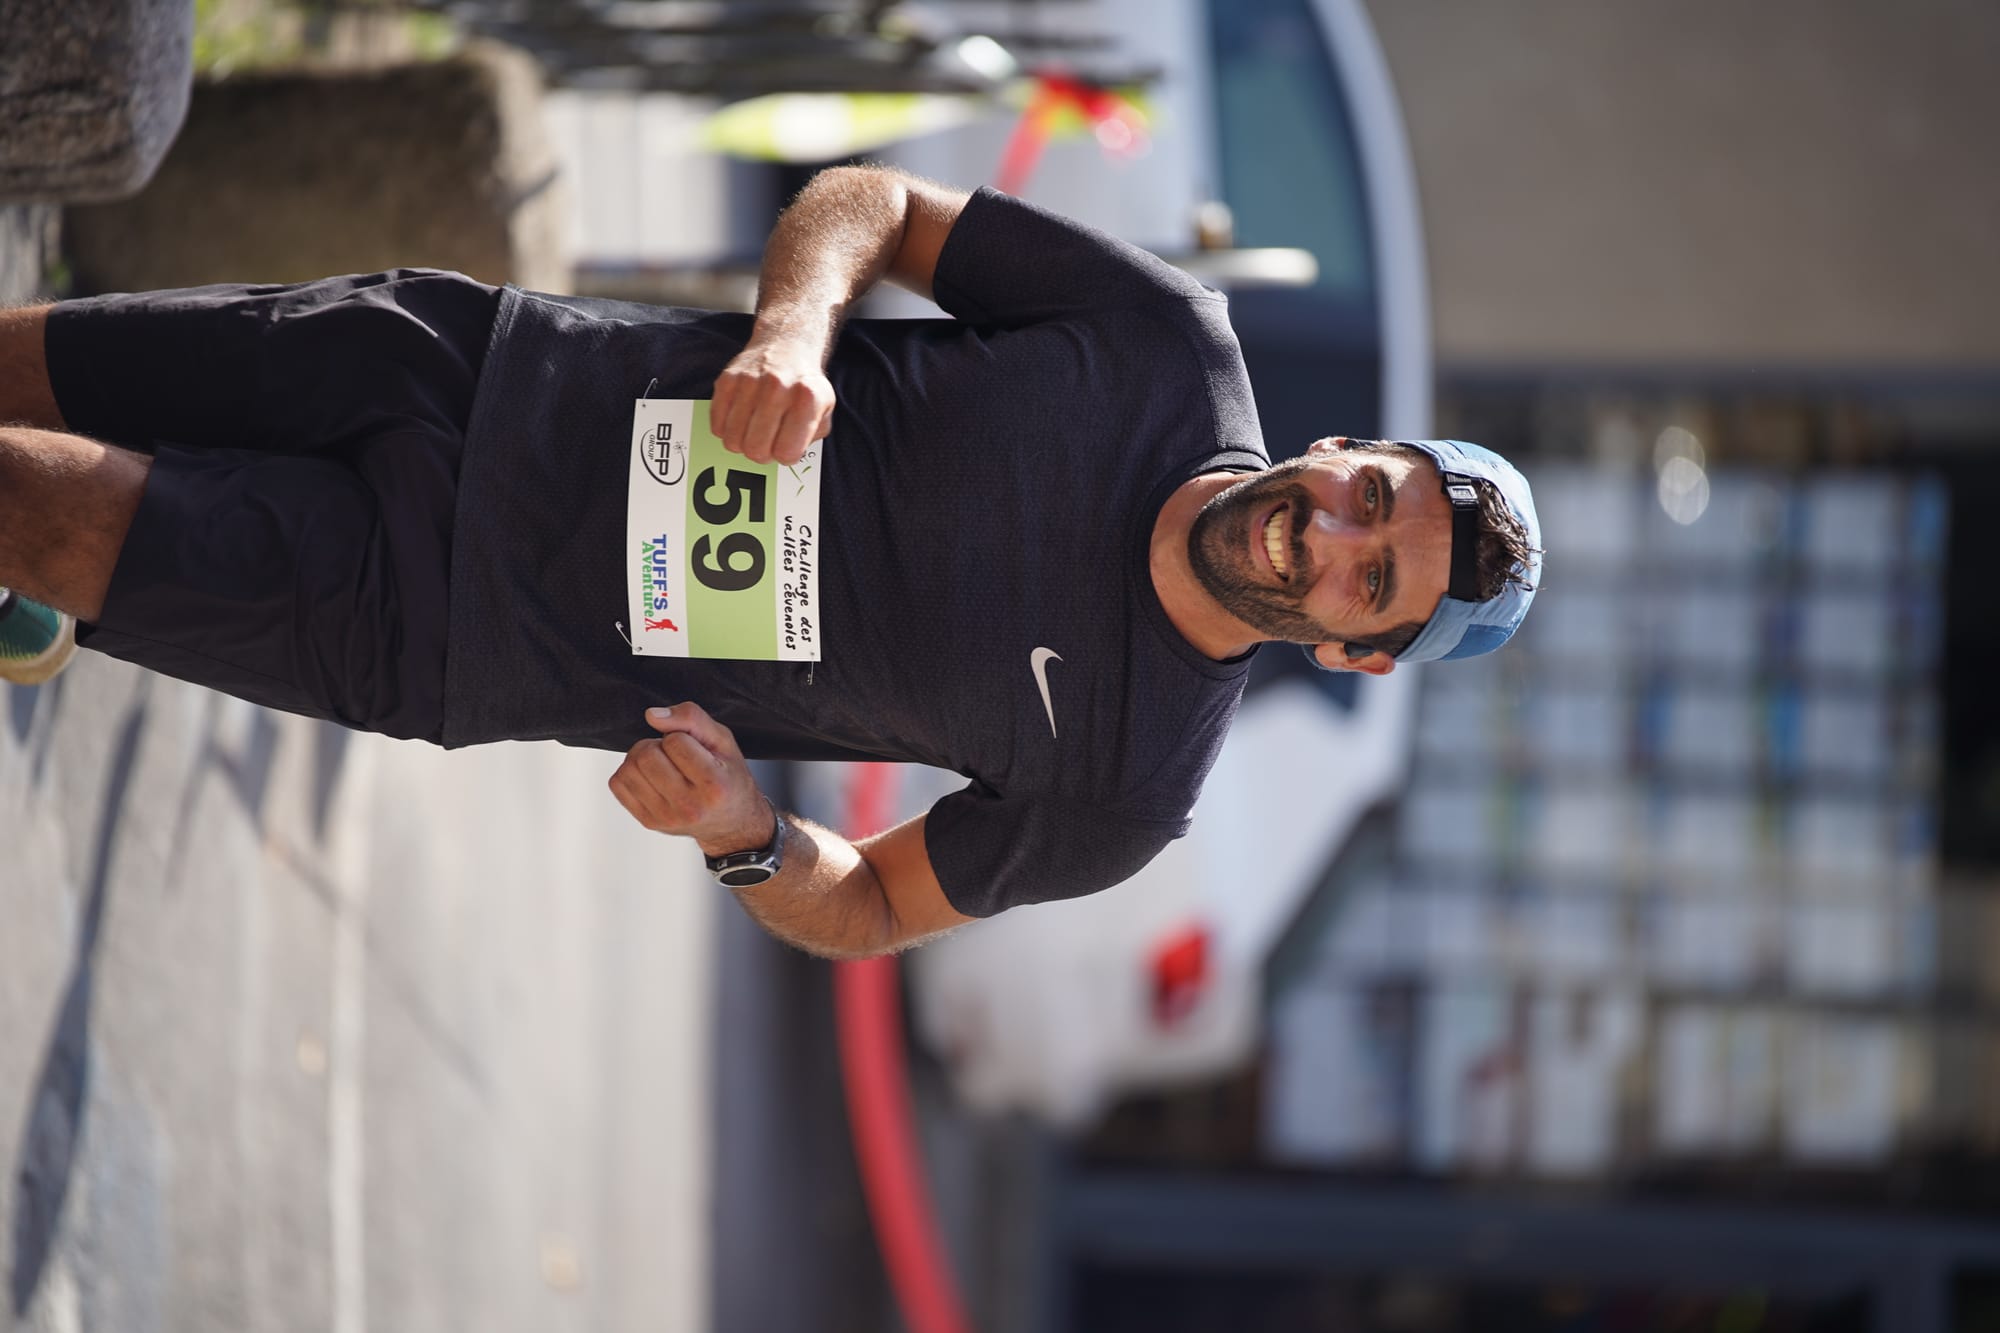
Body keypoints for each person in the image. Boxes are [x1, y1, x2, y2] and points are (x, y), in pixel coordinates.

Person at [0, 165, 1540, 957]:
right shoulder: (1162, 347)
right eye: (1369, 489)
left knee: (45, 508)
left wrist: (742, 830)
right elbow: (873, 203)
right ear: (1355, 445)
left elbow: (870, 905)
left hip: (461, 627)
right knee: (29, 373)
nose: (1330, 529)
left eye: (1370, 577)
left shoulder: (1128, 786)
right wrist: (798, 330)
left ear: (1353, 648)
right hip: (477, 369)